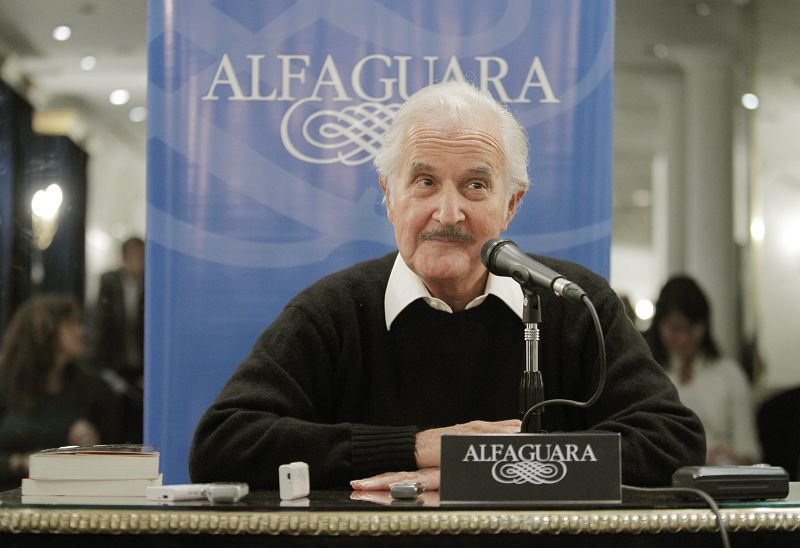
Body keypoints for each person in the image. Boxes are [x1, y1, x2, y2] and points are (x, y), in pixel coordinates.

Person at [189, 81, 705, 491]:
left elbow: (672, 441)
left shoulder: (570, 300)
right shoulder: (333, 310)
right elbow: (223, 443)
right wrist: (418, 447)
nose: (449, 212)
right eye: (425, 182)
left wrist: (486, 466)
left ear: (512, 203)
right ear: (389, 195)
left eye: (476, 185)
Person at [0, 295, 119, 490]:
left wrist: (92, 444)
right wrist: (19, 462)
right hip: (8, 498)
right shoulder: (6, 383)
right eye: (71, 325)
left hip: (69, 498)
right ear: (44, 332)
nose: (81, 332)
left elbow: (115, 453)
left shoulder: (91, 386)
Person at [644, 275, 761, 465]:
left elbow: (750, 454)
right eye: (674, 329)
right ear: (659, 327)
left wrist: (728, 458)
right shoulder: (651, 376)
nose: (683, 339)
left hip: (721, 481)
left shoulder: (730, 375)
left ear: (704, 325)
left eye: (691, 328)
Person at [93, 236, 145, 442]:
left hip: (142, 364)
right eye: (134, 255)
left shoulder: (152, 282)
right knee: (116, 416)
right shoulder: (109, 282)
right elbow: (101, 323)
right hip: (116, 362)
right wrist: (101, 364)